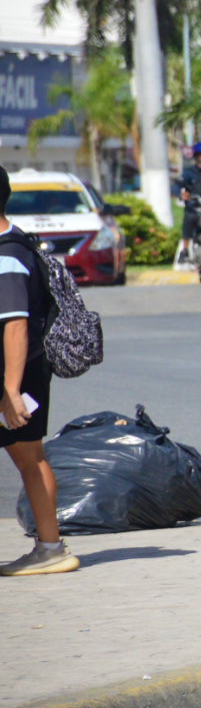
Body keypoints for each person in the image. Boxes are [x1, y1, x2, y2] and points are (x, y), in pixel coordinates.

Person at [0, 168, 76, 576]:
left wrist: (9, 391)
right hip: (25, 374)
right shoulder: (18, 244)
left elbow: (14, 324)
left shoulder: (6, 256)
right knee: (31, 458)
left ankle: (51, 548)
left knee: (30, 458)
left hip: (14, 378)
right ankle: (50, 547)